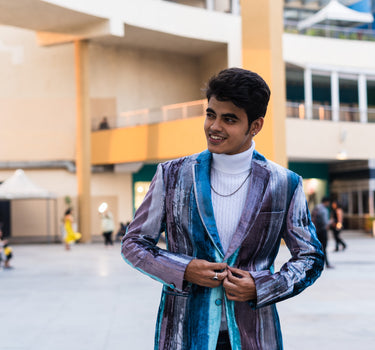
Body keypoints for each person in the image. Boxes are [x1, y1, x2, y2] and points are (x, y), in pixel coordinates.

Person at [121, 68, 324, 350]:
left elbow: (311, 257)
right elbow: (133, 243)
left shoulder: (284, 183)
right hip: (184, 333)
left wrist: (262, 286)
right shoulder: (172, 175)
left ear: (255, 126)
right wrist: (184, 269)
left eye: (229, 119)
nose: (214, 126)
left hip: (254, 335)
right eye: (210, 114)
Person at [312, 196, 333, 268]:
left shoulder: (316, 208)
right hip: (322, 231)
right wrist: (331, 222)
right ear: (327, 202)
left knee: (317, 248)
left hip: (315, 231)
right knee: (324, 248)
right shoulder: (324, 210)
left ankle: (316, 263)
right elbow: (325, 222)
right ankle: (326, 263)